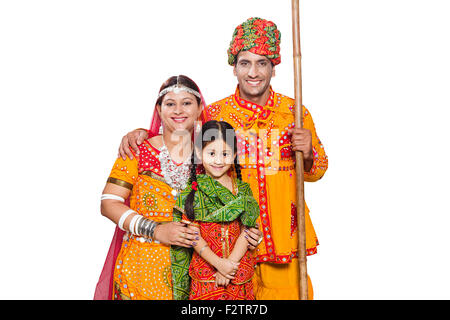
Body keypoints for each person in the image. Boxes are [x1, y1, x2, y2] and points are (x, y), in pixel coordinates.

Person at [118, 17, 328, 300]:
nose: (253, 72)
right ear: (234, 67)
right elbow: (180, 130)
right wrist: (144, 132)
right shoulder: (216, 114)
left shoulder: (294, 112)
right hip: (224, 245)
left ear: (273, 68)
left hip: (282, 238)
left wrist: (308, 153)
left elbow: (318, 170)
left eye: (262, 63)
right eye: (245, 63)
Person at [171, 120, 260, 300]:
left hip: (238, 272)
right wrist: (219, 264)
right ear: (198, 152)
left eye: (225, 153)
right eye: (211, 153)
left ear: (234, 154)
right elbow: (192, 235)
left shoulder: (242, 190)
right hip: (206, 274)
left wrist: (229, 266)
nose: (219, 160)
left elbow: (248, 230)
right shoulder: (192, 192)